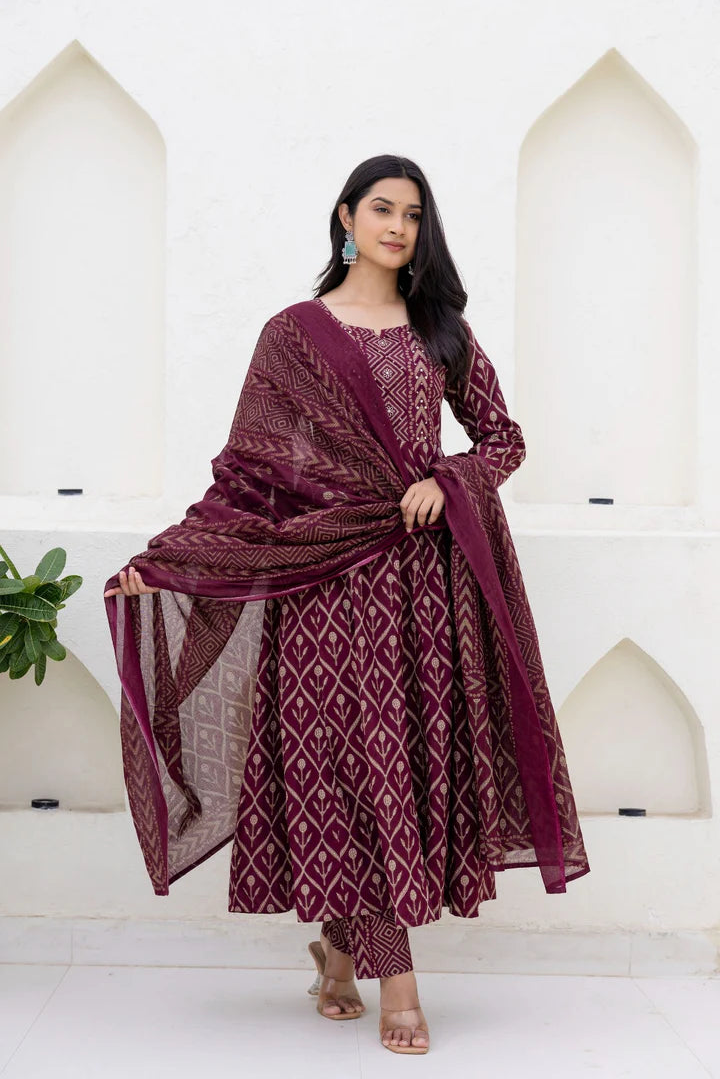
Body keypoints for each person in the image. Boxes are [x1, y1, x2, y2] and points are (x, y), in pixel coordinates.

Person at [104, 154, 590, 1057]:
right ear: (346, 217)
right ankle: (396, 981)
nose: (397, 227)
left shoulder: (440, 332)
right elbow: (249, 475)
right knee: (341, 769)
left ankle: (337, 950)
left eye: (413, 214)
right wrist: (165, 561)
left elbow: (505, 440)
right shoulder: (293, 335)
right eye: (381, 209)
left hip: (418, 592)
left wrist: (452, 479)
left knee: (392, 766)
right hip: (320, 587)